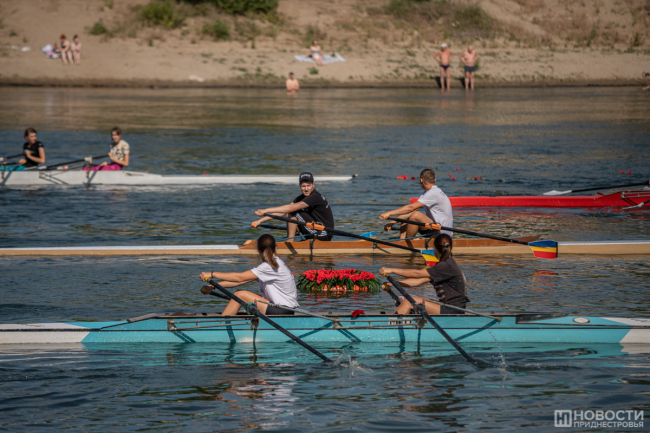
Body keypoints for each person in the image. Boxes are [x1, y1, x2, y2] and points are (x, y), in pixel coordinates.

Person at [199, 234, 299, 316]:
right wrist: (213, 286)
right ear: (275, 248)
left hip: (282, 311)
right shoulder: (275, 264)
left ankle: (221, 326)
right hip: (284, 309)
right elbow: (240, 281)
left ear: (259, 251)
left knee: (239, 294)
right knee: (240, 294)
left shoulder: (269, 266)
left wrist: (212, 274)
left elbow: (239, 277)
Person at [379, 233, 469, 315]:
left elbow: (417, 273)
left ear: (434, 248)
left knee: (408, 302)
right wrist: (393, 283)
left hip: (453, 310)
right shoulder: (444, 266)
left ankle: (389, 325)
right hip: (448, 306)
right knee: (410, 299)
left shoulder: (446, 266)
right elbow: (416, 281)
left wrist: (391, 270)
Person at [252, 172, 335, 241]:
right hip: (316, 229)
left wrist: (265, 210)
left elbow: (290, 208)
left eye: (308, 185)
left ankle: (290, 242)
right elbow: (282, 212)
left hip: (323, 233)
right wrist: (260, 221)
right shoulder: (301, 198)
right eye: (303, 186)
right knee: (290, 212)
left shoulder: (315, 197)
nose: (306, 189)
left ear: (313, 184)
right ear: (300, 185)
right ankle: (290, 242)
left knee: (293, 211)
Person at [379, 168, 453, 239]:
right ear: (434, 180)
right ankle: (402, 240)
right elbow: (410, 211)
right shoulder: (428, 193)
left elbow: (410, 208)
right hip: (435, 228)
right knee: (408, 215)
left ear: (421, 180)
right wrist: (392, 223)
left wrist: (388, 213)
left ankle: (407, 241)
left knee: (415, 215)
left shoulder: (433, 193)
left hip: (442, 234)